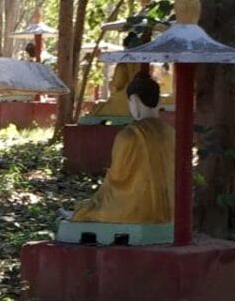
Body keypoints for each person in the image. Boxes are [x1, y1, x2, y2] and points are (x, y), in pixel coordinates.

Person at [71, 69, 173, 224]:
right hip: (171, 208)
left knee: (90, 209)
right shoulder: (172, 133)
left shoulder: (128, 135)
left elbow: (117, 178)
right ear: (159, 101)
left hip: (135, 208)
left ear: (135, 101)